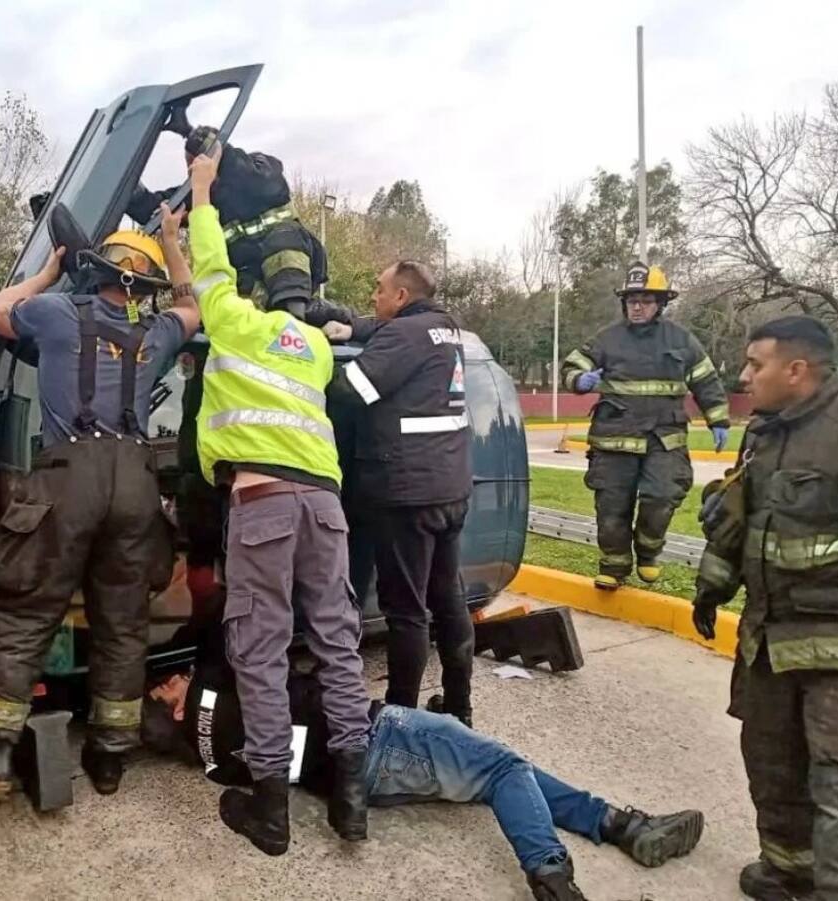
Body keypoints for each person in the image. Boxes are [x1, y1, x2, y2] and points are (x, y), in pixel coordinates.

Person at [141, 628, 706, 901]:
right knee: (504, 770)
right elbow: (267, 656)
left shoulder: (210, 761)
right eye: (174, 675)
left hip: (363, 784)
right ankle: (553, 876)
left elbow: (246, 790)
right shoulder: (223, 678)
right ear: (174, 686)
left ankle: (616, 825)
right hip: (380, 736)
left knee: (500, 774)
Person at [0, 206, 200, 805]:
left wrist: (49, 271)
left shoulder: (57, 313)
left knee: (25, 611)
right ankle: (110, 755)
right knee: (123, 622)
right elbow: (191, 306)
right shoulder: (156, 331)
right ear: (145, 283)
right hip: (136, 483)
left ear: (96, 269)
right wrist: (171, 239)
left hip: (67, 480)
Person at [185, 142, 373, 855]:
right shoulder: (313, 349)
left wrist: (201, 191)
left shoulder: (233, 323)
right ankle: (350, 800)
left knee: (260, 652)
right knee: (336, 640)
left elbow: (208, 270)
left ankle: (271, 808)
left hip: (261, 504)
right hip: (325, 508)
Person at [692, 316, 838, 901]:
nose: (743, 377)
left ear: (796, 370)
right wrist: (710, 590)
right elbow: (740, 528)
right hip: (768, 638)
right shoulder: (764, 434)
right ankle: (786, 868)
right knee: (770, 758)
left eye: (754, 365)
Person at [325, 262, 475, 724]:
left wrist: (299, 362)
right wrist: (353, 327)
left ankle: (400, 723)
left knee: (406, 611)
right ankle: (458, 706)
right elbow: (389, 328)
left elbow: (350, 391)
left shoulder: (402, 338)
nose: (374, 295)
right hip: (450, 488)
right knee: (448, 598)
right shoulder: (447, 329)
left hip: (406, 494)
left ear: (402, 295)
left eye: (379, 288)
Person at [560, 261, 731, 591]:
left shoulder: (681, 340)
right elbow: (572, 364)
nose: (637, 307)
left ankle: (649, 552)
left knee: (662, 497)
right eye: (631, 300)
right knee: (612, 506)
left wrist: (719, 419)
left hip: (664, 438)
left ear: (661, 303)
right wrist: (580, 379)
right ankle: (614, 565)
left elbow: (706, 380)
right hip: (614, 439)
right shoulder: (607, 339)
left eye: (645, 300)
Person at [128, 125, 327, 321]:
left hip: (290, 278)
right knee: (221, 294)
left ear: (216, 157)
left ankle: (295, 319)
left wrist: (193, 136)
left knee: (283, 239)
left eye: (197, 162)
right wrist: (126, 186)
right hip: (252, 285)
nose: (192, 170)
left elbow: (243, 172)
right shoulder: (203, 192)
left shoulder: (262, 171)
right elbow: (156, 208)